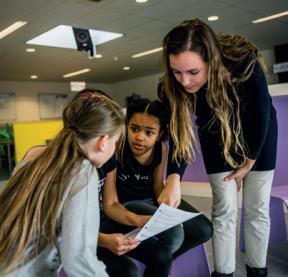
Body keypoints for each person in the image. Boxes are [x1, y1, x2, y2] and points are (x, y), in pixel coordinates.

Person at [159, 18, 278, 277]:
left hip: (259, 134)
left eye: (193, 73)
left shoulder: (244, 63)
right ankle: (223, 274)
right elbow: (180, 131)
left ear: (210, 61)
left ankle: (257, 272)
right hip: (215, 132)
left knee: (257, 207)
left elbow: (260, 115)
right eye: (176, 72)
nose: (185, 82)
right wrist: (173, 177)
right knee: (224, 208)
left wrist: (249, 161)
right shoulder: (175, 84)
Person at [0, 92, 129, 276]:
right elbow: (79, 260)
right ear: (103, 142)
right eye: (116, 143)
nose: (114, 148)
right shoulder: (82, 170)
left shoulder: (35, 156)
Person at [98, 98, 212, 277]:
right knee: (175, 235)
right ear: (126, 126)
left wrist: (169, 213)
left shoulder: (162, 149)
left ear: (160, 134)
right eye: (134, 129)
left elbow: (158, 186)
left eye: (149, 132)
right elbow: (112, 203)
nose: (140, 137)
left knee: (204, 230)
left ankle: (162, 261)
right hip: (128, 205)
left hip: (150, 199)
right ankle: (160, 262)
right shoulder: (117, 148)